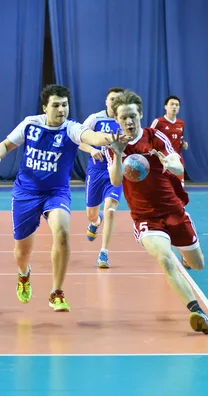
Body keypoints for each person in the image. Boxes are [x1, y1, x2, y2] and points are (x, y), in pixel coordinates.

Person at [0, 84, 128, 312]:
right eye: (56, 105)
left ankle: (56, 292)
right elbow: (6, 144)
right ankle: (24, 274)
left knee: (62, 232)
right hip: (26, 193)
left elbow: (92, 136)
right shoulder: (31, 123)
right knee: (22, 253)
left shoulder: (71, 129)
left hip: (56, 192)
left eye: (65, 105)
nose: (61, 109)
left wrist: (112, 138)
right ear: (45, 107)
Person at [105, 91, 208, 334]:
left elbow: (176, 162)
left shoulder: (154, 136)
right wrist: (118, 152)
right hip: (146, 217)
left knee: (197, 265)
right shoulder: (113, 144)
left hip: (173, 209)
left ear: (140, 115)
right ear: (116, 119)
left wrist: (169, 163)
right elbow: (115, 181)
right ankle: (197, 312)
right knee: (166, 260)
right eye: (123, 117)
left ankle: (185, 258)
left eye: (132, 116)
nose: (129, 122)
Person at [77, 87, 125, 268]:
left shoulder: (125, 121)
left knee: (111, 211)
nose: (114, 102)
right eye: (112, 99)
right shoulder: (95, 119)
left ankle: (103, 253)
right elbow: (77, 139)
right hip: (96, 172)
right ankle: (96, 222)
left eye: (118, 99)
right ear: (106, 101)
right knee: (91, 215)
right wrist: (91, 149)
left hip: (115, 171)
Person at [150, 96, 188, 186]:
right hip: (162, 160)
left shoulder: (181, 123)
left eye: (177, 105)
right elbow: (148, 138)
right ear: (165, 106)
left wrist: (183, 144)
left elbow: (179, 139)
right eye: (171, 104)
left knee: (179, 187)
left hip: (176, 159)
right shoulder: (158, 122)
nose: (174, 107)